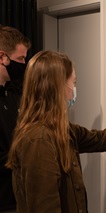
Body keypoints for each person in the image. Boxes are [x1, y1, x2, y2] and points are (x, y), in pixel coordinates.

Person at [6, 50, 106, 213]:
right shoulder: (38, 139)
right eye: (73, 83)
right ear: (58, 87)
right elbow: (45, 206)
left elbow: (99, 138)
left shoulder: (59, 129)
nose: (74, 90)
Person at [0, 26, 31, 213]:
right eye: (20, 59)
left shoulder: (16, 94)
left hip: (19, 197)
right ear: (2, 57)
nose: (24, 64)